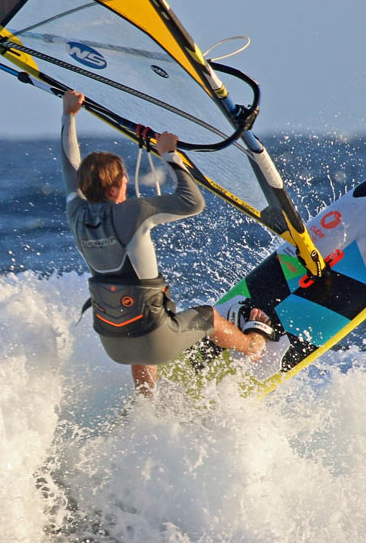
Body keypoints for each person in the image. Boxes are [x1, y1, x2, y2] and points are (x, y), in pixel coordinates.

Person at [60, 90, 271, 395]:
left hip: (113, 344)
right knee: (206, 316)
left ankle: (145, 400)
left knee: (136, 310)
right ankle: (252, 345)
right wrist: (171, 156)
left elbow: (69, 168)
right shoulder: (132, 211)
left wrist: (69, 116)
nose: (127, 185)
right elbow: (192, 202)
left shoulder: (75, 212)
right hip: (153, 340)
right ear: (116, 187)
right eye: (123, 182)